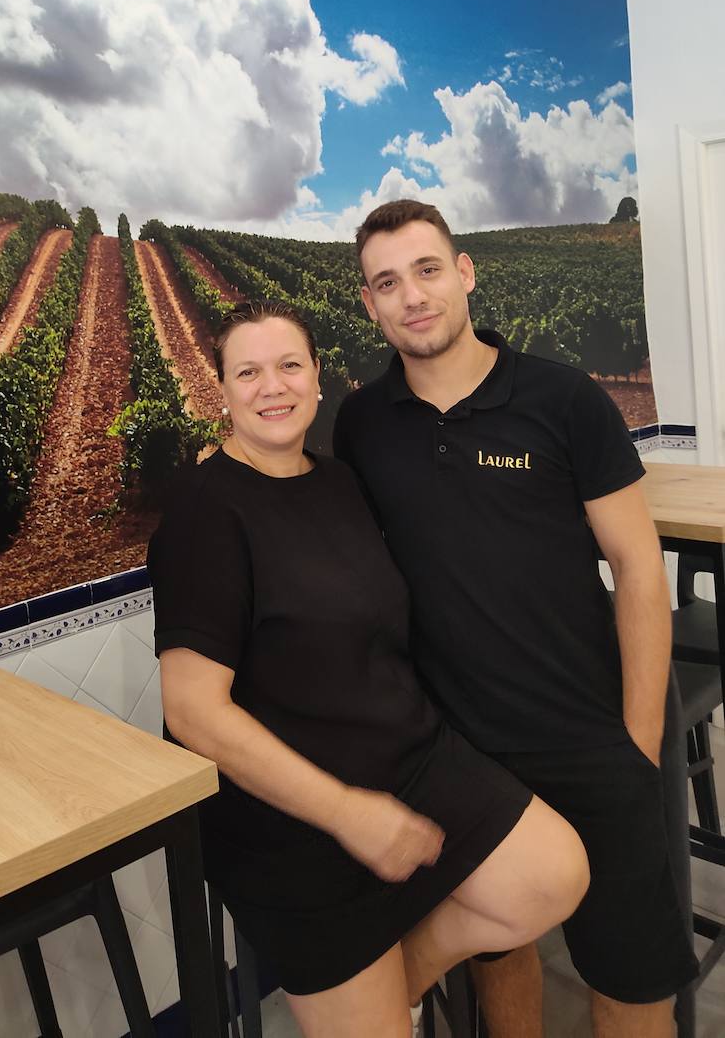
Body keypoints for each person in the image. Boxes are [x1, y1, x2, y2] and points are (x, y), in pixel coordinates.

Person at [148, 300, 589, 1038]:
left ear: (317, 376)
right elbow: (191, 711)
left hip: (408, 760)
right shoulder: (203, 510)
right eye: (247, 372)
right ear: (219, 391)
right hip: (286, 821)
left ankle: (396, 982)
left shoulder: (337, 481)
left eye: (289, 365)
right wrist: (345, 813)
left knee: (552, 875)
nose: (272, 386)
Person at [333, 199, 699, 1038]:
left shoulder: (562, 400)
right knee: (502, 947)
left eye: (427, 270)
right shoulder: (361, 423)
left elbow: (639, 570)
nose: (411, 296)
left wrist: (637, 747)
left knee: (631, 969)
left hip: (588, 728)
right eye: (386, 282)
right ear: (368, 304)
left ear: (464, 274)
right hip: (461, 751)